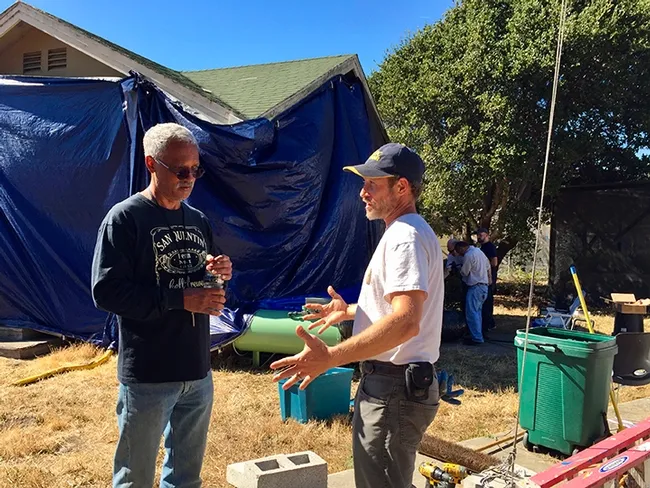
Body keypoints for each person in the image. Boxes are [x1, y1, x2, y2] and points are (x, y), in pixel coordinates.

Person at [270, 143, 444, 488]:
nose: (363, 192)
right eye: (362, 183)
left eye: (373, 184)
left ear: (402, 187)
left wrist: (331, 357)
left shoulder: (403, 238)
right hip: (397, 385)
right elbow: (401, 310)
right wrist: (349, 311)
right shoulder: (411, 231)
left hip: (393, 388)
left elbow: (407, 321)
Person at [91, 123, 233, 488]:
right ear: (152, 164)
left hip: (197, 370)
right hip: (149, 374)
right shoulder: (124, 218)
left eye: (195, 170)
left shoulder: (197, 220)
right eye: (180, 170)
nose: (189, 178)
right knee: (134, 477)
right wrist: (180, 299)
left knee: (186, 478)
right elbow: (106, 291)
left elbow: (200, 285)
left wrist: (218, 274)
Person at [455, 241, 491, 345]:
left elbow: (465, 272)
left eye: (459, 252)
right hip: (484, 286)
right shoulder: (479, 251)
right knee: (477, 312)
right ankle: (478, 334)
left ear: (462, 248)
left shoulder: (468, 255)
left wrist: (458, 271)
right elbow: (488, 265)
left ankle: (476, 338)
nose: (460, 254)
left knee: (471, 313)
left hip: (475, 286)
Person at [475, 227, 498, 331]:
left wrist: (484, 264)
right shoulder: (481, 247)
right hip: (482, 277)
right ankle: (487, 322)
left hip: (489, 278)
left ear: (487, 235)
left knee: (487, 302)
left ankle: (489, 324)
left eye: (481, 235)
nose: (479, 237)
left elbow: (494, 262)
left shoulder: (490, 247)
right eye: (478, 235)